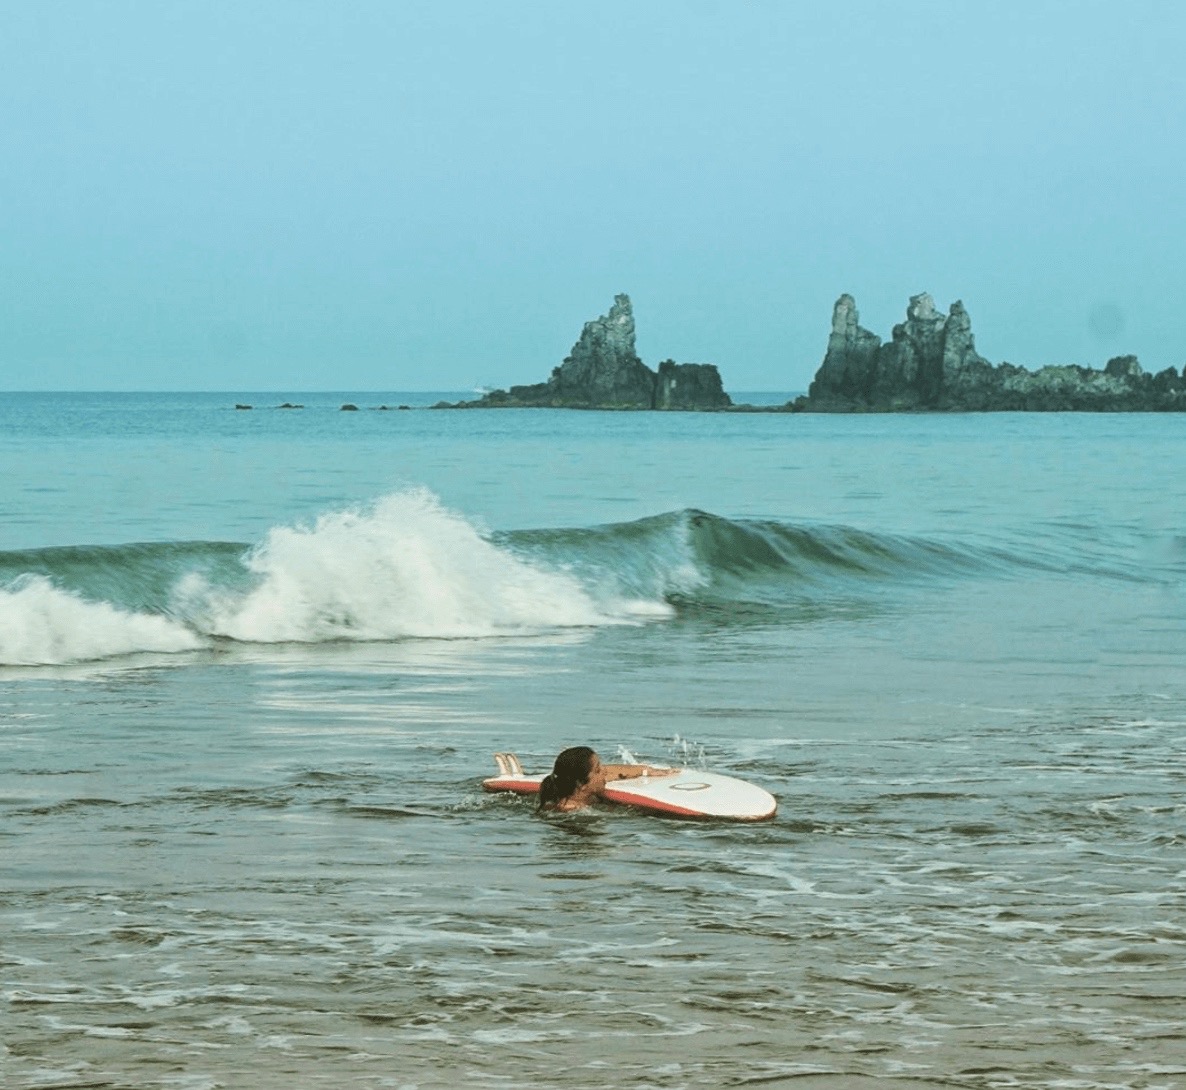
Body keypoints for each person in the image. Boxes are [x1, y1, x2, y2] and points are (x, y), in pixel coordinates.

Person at [537, 746, 676, 812]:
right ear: (581, 784)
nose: (604, 771)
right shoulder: (571, 812)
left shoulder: (576, 788)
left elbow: (612, 771)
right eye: (598, 770)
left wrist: (647, 771)